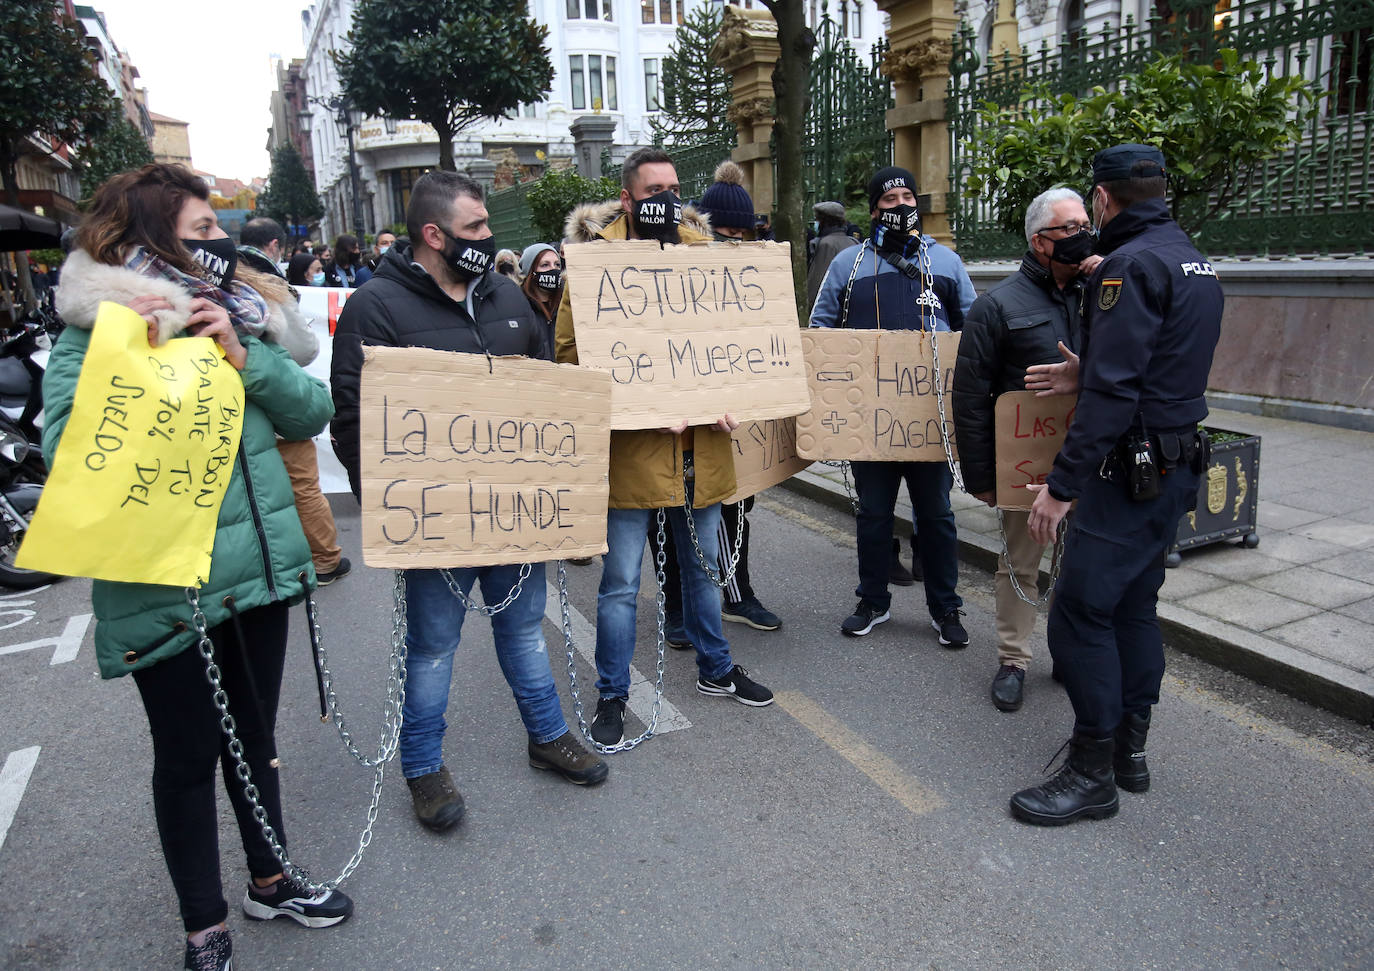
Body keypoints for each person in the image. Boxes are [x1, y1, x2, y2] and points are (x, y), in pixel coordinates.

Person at [48, 163, 352, 971]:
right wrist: (142, 371)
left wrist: (238, 355)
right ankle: (203, 924)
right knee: (187, 755)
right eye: (202, 233)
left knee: (255, 738)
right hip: (163, 584)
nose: (222, 243)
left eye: (218, 230)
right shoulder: (92, 334)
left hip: (254, 575)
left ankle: (272, 876)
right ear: (148, 243)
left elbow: (311, 410)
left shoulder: (240, 318)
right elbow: (67, 455)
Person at [331, 171, 607, 833]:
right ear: (435, 234)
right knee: (433, 647)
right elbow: (352, 420)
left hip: (513, 518)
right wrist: (397, 510)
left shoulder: (507, 297)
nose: (489, 237)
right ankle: (423, 767)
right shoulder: (377, 308)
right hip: (436, 525)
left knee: (523, 630)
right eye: (477, 227)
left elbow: (549, 398)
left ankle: (548, 736)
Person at [1009, 144, 1223, 826]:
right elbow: (1159, 365)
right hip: (1177, 463)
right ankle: (1130, 753)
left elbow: (1117, 394)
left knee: (1078, 612)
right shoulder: (1191, 256)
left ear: (1103, 199)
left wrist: (1062, 485)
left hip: (1128, 473)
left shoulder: (1128, 268)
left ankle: (1090, 770)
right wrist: (1092, 368)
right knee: (1133, 607)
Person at [557, 146, 775, 747]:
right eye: (655, 191)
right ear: (627, 198)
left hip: (699, 451)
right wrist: (647, 404)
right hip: (633, 455)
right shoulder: (594, 267)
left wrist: (738, 393)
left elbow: (736, 343)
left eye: (675, 189)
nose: (668, 201)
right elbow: (572, 360)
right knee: (622, 582)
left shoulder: (707, 259)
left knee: (706, 568)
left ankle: (715, 666)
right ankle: (612, 694)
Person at [810, 165, 976, 646]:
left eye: (907, 196)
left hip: (929, 422)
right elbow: (820, 330)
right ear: (873, 208)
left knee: (937, 515)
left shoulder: (946, 263)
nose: (901, 206)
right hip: (872, 421)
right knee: (874, 514)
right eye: (889, 200)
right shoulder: (849, 265)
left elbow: (972, 333)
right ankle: (872, 600)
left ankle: (946, 608)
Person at [952, 186, 1095, 713]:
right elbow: (969, 398)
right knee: (1021, 561)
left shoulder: (1101, 292)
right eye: (1071, 229)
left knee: (1080, 562)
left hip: (1089, 457)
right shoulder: (996, 307)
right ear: (1040, 242)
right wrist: (983, 477)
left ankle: (1069, 650)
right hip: (1028, 466)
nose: (1084, 235)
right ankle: (1014, 660)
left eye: (1086, 224)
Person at [693, 159, 782, 632]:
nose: (731, 237)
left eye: (738, 231)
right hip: (692, 419)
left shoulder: (756, 276)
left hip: (741, 418)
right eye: (721, 229)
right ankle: (690, 605)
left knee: (738, 507)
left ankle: (735, 592)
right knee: (689, 516)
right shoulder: (681, 270)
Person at [239, 221, 352, 587]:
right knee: (302, 486)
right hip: (274, 406)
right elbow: (304, 347)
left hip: (227, 414)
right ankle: (324, 560)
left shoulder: (200, 282)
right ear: (274, 245)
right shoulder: (267, 283)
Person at [806, 200, 858, 313]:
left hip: (831, 308)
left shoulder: (825, 244)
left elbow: (817, 282)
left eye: (817, 220)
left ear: (823, 221)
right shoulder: (853, 242)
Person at [518, 241, 561, 346]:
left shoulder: (567, 306)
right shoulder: (519, 307)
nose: (553, 269)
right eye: (545, 265)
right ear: (530, 271)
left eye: (557, 264)